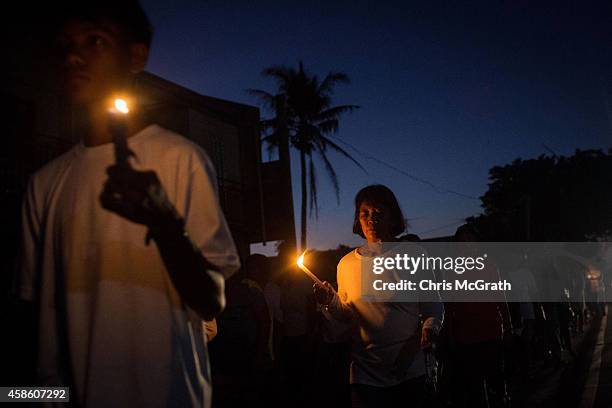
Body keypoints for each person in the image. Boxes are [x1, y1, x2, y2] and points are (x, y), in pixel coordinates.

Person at [13, 1, 240, 407]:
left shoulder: (181, 159)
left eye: (95, 40)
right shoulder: (43, 185)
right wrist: (27, 396)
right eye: (65, 44)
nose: (73, 55)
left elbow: (210, 300)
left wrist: (165, 222)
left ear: (136, 55)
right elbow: (31, 320)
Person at [314, 184, 442, 408]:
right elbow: (347, 315)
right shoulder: (346, 264)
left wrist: (422, 339)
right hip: (365, 374)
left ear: (393, 216)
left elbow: (432, 309)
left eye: (378, 213)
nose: (371, 219)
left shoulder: (413, 255)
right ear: (357, 218)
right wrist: (330, 301)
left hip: (409, 370)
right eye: (365, 213)